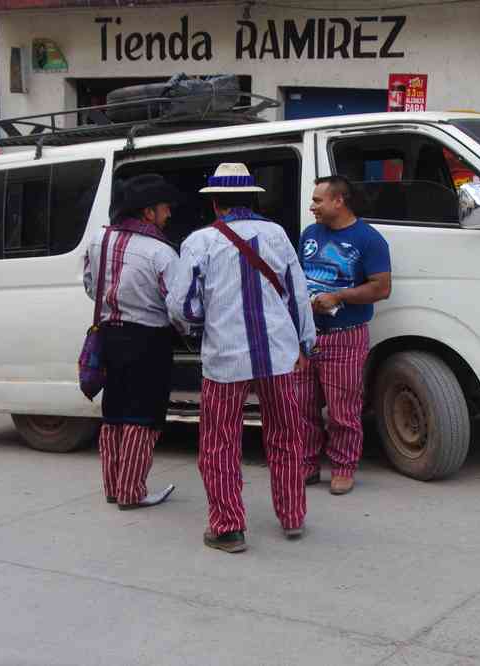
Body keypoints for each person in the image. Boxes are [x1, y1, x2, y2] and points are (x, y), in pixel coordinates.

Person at [167, 162, 315, 554]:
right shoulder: (277, 235)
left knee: (219, 442)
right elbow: (297, 296)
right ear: (251, 198)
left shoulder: (199, 241)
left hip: (224, 359)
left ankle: (228, 527)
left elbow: (183, 307)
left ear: (215, 203)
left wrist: (202, 326)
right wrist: (304, 345)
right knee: (286, 435)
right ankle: (292, 516)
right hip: (278, 356)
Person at [83, 174, 178, 510]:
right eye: (165, 208)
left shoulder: (99, 240)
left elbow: (90, 285)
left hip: (109, 335)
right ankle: (132, 492)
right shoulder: (161, 252)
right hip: (148, 340)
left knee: (115, 412)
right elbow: (177, 305)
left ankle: (113, 487)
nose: (169, 214)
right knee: (143, 416)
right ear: (148, 212)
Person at [295, 175, 391, 495]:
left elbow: (382, 287)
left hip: (345, 336)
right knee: (303, 405)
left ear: (339, 201)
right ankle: (308, 465)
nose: (312, 207)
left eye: (318, 201)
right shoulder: (310, 234)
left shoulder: (369, 240)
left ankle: (343, 467)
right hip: (308, 335)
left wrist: (339, 297)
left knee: (342, 409)